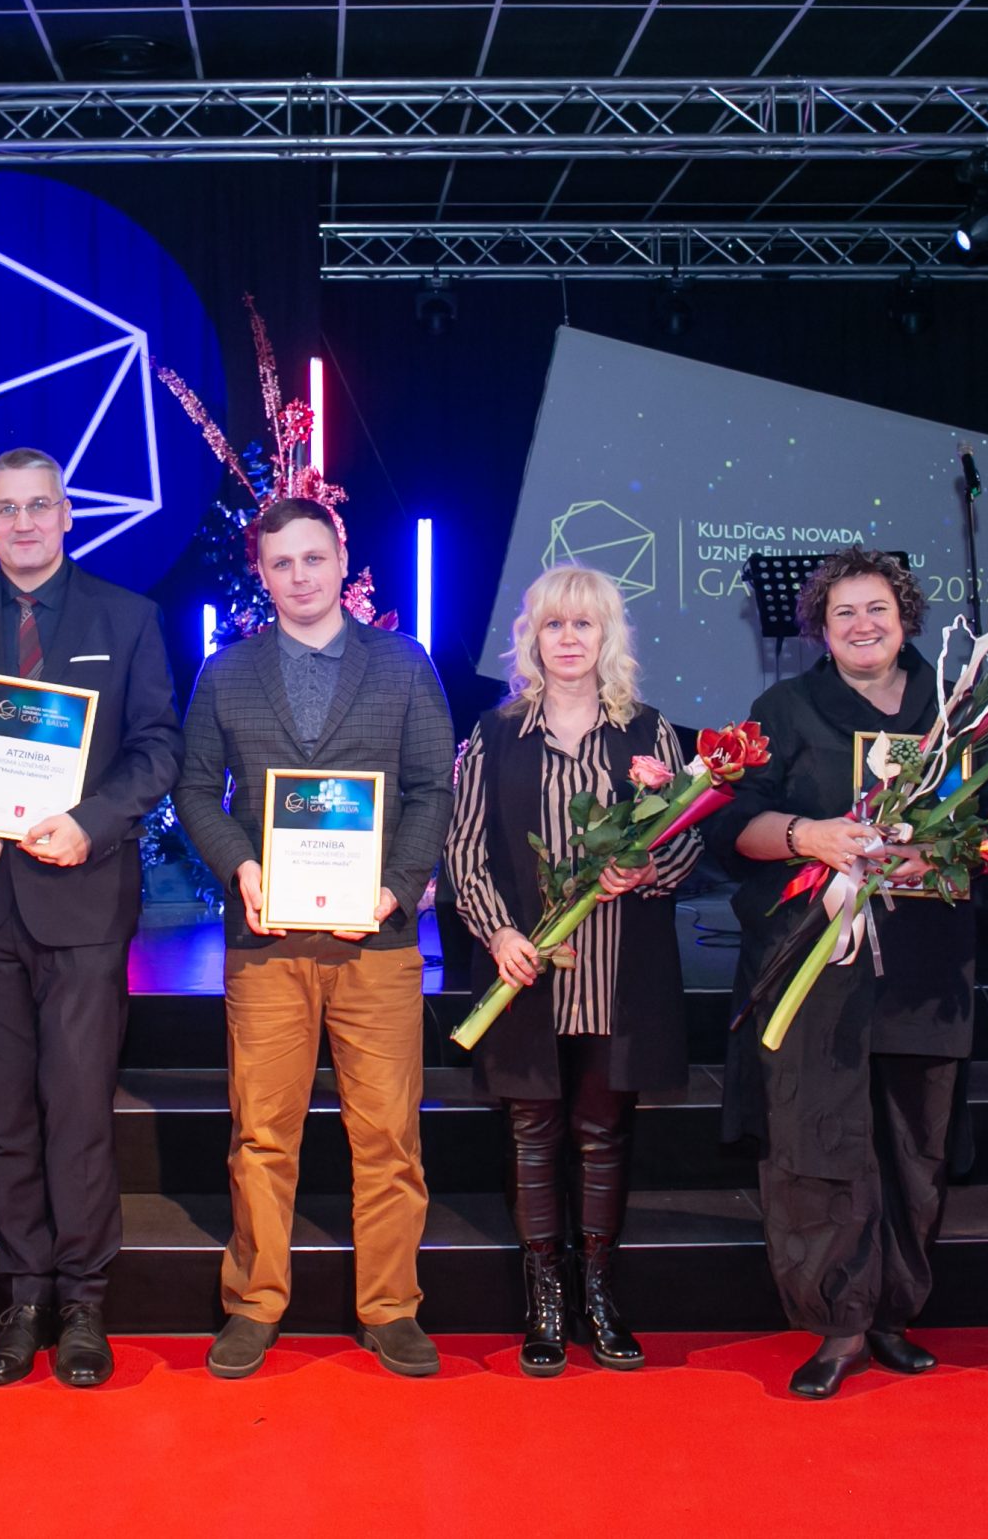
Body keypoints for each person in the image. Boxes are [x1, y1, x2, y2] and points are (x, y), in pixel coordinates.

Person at [172, 497, 455, 1379]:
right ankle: (254, 1303)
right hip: (267, 941)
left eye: (313, 557)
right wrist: (240, 868)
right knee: (262, 1134)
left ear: (341, 560)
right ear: (262, 573)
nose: (299, 575)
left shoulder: (404, 663)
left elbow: (432, 789)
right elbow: (193, 789)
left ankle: (392, 1306)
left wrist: (395, 887)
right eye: (281, 562)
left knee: (389, 1136)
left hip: (377, 941)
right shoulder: (226, 672)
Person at [0, 449, 182, 1389]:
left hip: (83, 897)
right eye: (5, 509)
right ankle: (23, 1297)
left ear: (68, 514)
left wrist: (93, 821)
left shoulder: (128, 616)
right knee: (4, 1114)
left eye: (39, 506)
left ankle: (84, 1302)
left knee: (77, 1110)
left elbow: (158, 748)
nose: (23, 523)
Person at [707, 546, 975, 1399]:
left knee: (913, 1144)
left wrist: (951, 852)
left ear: (906, 617)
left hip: (926, 964)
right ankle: (838, 1321)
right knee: (817, 1141)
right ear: (819, 628)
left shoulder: (956, 712)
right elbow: (732, 826)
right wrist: (808, 835)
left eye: (877, 609)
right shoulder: (784, 709)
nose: (862, 625)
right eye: (843, 613)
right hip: (814, 961)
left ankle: (893, 1311)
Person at [444, 565, 701, 1376]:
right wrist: (499, 933)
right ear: (531, 637)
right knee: (532, 1134)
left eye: (583, 624)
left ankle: (599, 1294)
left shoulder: (650, 733)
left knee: (603, 1133)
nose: (567, 638)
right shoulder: (493, 734)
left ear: (606, 636)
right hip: (527, 973)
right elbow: (464, 851)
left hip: (619, 973)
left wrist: (648, 868)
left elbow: (688, 838)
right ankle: (545, 1301)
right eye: (553, 624)